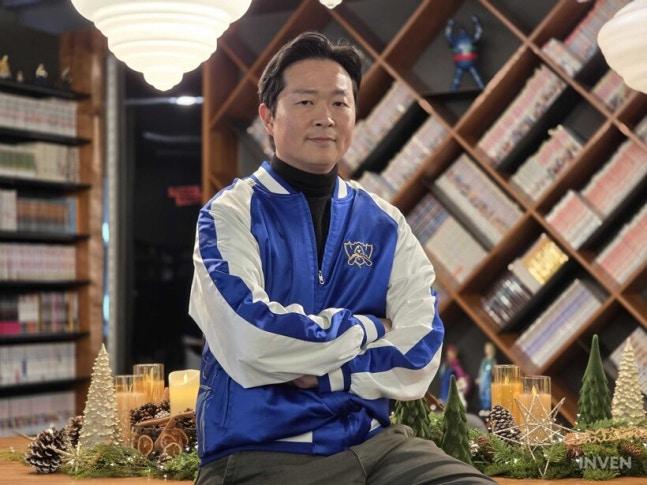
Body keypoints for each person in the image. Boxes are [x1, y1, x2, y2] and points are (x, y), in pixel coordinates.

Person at [189, 32, 494, 484]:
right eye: (306, 102)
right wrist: (370, 327)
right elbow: (252, 336)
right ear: (268, 117)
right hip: (261, 452)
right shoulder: (230, 214)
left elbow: (421, 345)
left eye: (339, 102)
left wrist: (335, 374)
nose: (325, 117)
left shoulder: (384, 222)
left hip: (377, 445)